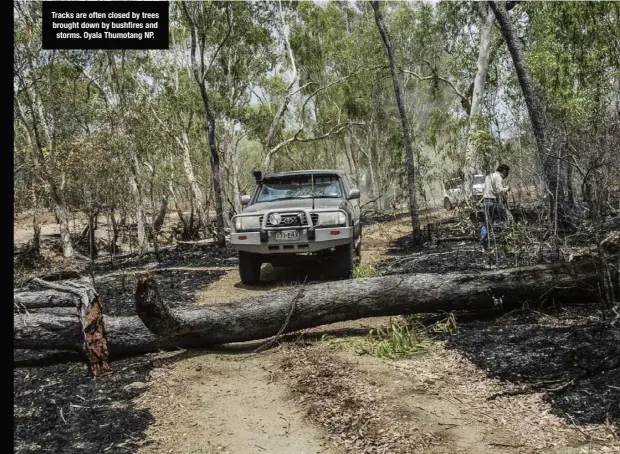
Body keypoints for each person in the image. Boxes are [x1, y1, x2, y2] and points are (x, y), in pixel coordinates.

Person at [481, 164, 512, 248]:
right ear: (504, 171)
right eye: (507, 173)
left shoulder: (488, 176)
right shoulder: (498, 177)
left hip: (486, 201)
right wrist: (507, 189)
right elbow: (499, 191)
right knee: (509, 218)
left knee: (487, 222)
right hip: (494, 202)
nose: (506, 175)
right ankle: (507, 239)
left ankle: (484, 242)